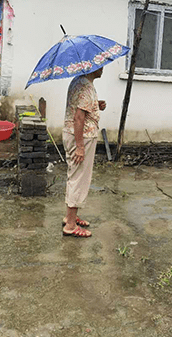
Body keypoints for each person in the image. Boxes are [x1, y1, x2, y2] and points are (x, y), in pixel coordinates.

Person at [62, 67, 106, 238]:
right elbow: (79, 118)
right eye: (100, 65)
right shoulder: (85, 87)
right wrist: (80, 146)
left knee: (74, 175)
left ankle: (70, 216)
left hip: (72, 134)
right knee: (79, 179)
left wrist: (96, 105)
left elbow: (80, 109)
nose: (102, 68)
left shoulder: (78, 81)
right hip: (81, 137)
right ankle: (71, 226)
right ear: (93, 67)